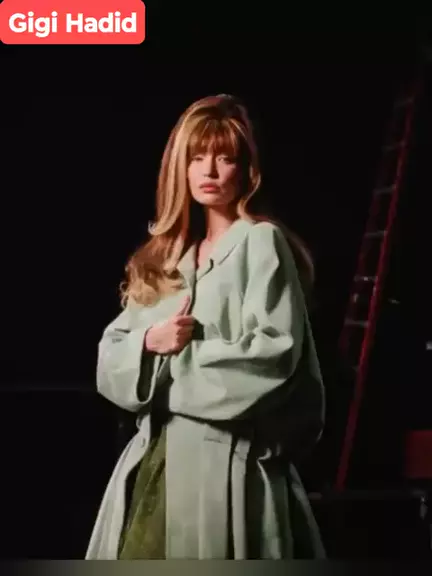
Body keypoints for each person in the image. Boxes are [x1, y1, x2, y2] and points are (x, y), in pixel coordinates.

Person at [85, 94, 326, 560]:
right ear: (181, 167)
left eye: (224, 158)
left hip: (226, 468)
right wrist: (150, 341)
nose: (210, 171)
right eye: (197, 158)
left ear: (246, 169)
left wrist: (172, 371)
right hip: (156, 463)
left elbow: (275, 355)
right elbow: (111, 355)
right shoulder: (169, 257)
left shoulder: (259, 242)